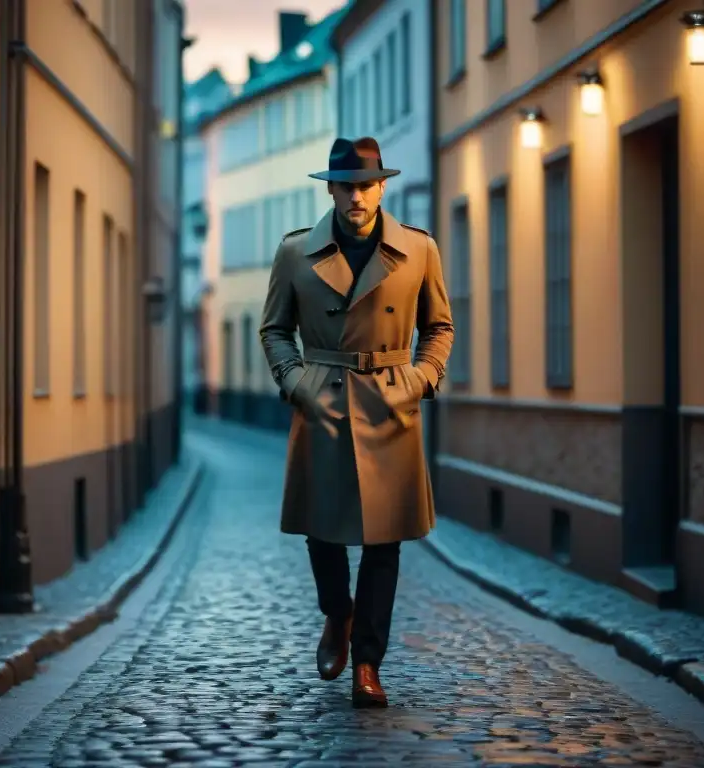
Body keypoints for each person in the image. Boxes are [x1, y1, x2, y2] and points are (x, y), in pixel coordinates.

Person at [259, 136, 455, 708]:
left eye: (366, 185)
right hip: (323, 397)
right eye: (345, 186)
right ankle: (337, 613)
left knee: (384, 541)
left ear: (382, 186)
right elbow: (274, 329)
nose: (356, 197)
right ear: (332, 189)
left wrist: (420, 379)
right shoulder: (296, 253)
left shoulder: (418, 250)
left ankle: (368, 663)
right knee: (323, 531)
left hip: (391, 400)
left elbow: (439, 326)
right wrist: (297, 384)